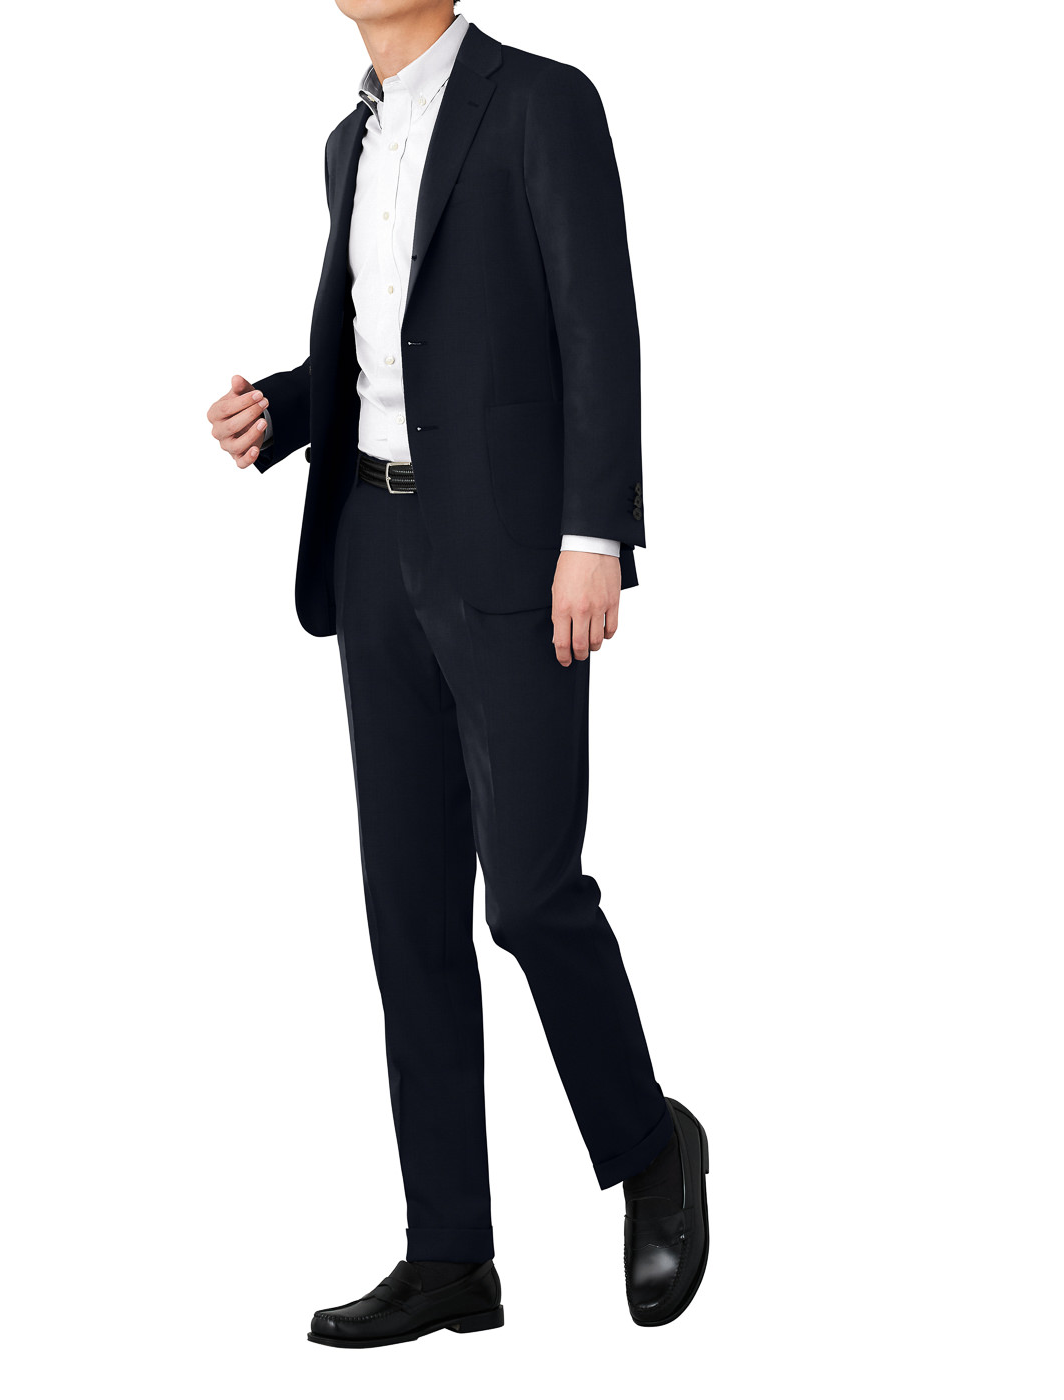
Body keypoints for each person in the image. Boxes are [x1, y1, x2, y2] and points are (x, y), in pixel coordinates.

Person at [207, 1, 708, 1346]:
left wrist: (595, 535)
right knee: (409, 915)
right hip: (372, 548)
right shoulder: (347, 141)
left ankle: (650, 1145)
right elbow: (379, 358)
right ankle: (449, 1255)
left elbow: (598, 326)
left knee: (532, 896)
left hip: (515, 560)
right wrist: (281, 410)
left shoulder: (542, 102)